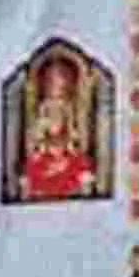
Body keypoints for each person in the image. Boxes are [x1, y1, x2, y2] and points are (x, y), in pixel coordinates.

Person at [21, 57, 95, 200]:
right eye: (49, 114)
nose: (52, 120)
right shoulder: (34, 163)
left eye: (58, 113)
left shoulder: (79, 162)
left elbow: (87, 197)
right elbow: (25, 196)